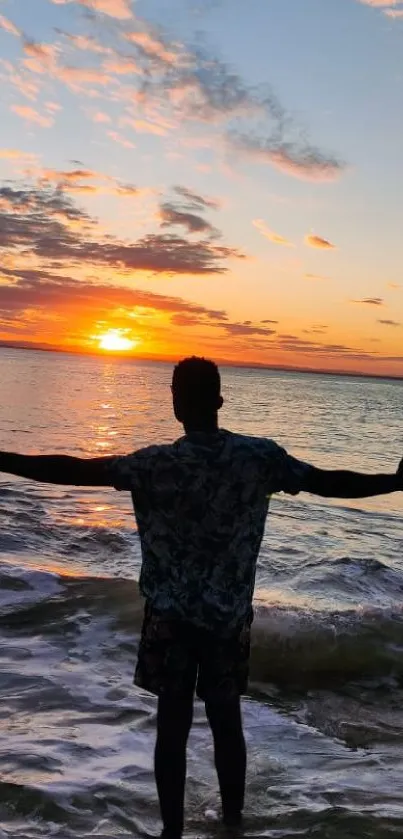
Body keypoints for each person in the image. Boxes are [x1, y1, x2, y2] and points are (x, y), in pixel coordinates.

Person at [0, 356, 402, 838]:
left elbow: (73, 471)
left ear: (175, 404)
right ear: (218, 400)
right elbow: (329, 482)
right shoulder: (259, 459)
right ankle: (233, 824)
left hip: (169, 618)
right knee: (226, 721)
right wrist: (395, 482)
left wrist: (5, 459)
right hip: (227, 618)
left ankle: (172, 833)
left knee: (172, 727)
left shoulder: (155, 464)